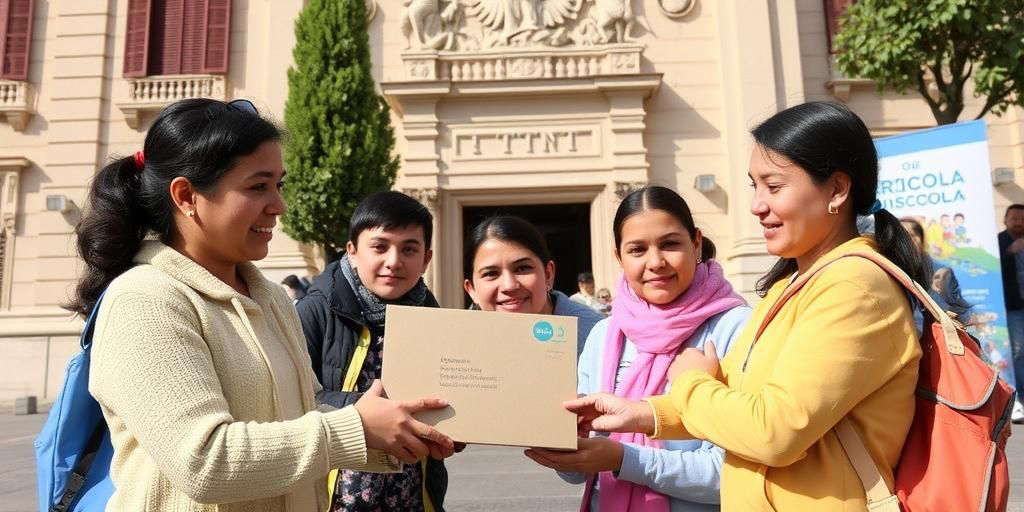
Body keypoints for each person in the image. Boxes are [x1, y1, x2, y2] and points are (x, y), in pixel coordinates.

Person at [69, 99, 454, 512]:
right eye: (258, 186)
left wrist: (393, 429)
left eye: (279, 185)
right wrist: (355, 428)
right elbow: (203, 460)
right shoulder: (145, 300)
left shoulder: (269, 296)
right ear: (186, 196)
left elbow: (304, 409)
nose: (279, 205)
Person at [563, 102, 929, 511]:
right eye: (754, 186)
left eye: (773, 187)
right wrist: (642, 413)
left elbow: (774, 430)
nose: (756, 205)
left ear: (838, 190)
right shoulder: (794, 285)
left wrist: (689, 382)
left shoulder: (855, 287)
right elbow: (742, 403)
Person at [524, 186, 751, 511]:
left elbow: (736, 475)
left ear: (696, 243)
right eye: (637, 250)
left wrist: (623, 459)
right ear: (618, 256)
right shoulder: (604, 335)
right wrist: (560, 444)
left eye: (670, 244)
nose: (656, 262)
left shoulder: (734, 328)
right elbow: (580, 474)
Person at [296, 190, 449, 511]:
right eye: (379, 247)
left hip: (411, 493)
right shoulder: (315, 309)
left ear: (426, 258)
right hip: (337, 494)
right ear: (351, 251)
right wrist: (361, 411)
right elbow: (290, 398)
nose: (394, 262)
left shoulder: (432, 313)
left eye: (409, 249)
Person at [464, 215, 604, 357]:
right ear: (472, 290)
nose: (509, 285)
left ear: (548, 275)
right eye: (491, 274)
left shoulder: (600, 337)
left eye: (522, 268)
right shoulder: (457, 346)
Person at [998, 204, 1024, 423]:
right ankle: (1019, 395)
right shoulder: (998, 242)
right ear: (1005, 220)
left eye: (1022, 218)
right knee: (1017, 351)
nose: (1018, 222)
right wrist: (1010, 251)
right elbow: (991, 269)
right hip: (1013, 306)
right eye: (1014, 218)